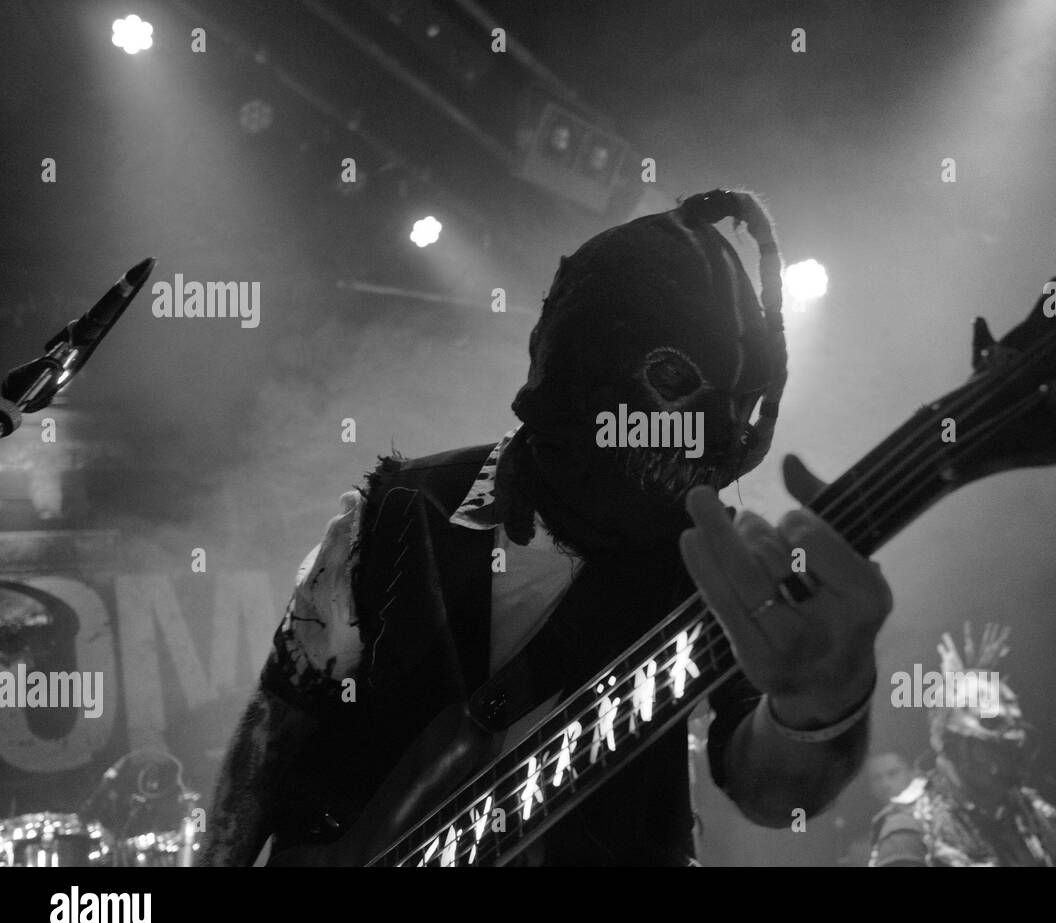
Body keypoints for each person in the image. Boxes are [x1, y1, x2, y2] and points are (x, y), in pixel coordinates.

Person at [200, 188, 894, 866]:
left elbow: (766, 791)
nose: (714, 436)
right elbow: (281, 719)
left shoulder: (723, 566)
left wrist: (820, 703)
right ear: (579, 357)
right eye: (677, 383)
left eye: (744, 405)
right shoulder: (399, 509)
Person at [869, 623, 1056, 867]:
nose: (1010, 760)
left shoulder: (1036, 813)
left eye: (1013, 748)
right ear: (955, 747)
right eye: (995, 749)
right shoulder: (910, 831)